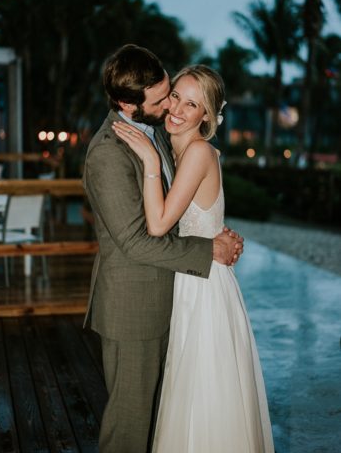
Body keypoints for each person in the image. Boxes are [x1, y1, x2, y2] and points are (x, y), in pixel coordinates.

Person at [82, 44, 244, 453]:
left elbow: (187, 204)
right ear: (127, 103)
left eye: (174, 94)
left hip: (175, 298)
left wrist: (214, 229)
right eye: (164, 99)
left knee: (172, 416)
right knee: (129, 427)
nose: (170, 106)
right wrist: (207, 249)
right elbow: (137, 238)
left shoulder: (164, 136)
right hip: (133, 308)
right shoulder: (108, 153)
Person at [112, 64, 274, 452]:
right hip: (194, 276)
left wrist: (150, 163)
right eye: (175, 98)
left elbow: (159, 224)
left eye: (192, 104)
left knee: (204, 396)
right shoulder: (180, 147)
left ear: (208, 116)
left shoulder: (198, 151)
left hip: (203, 290)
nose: (178, 110)